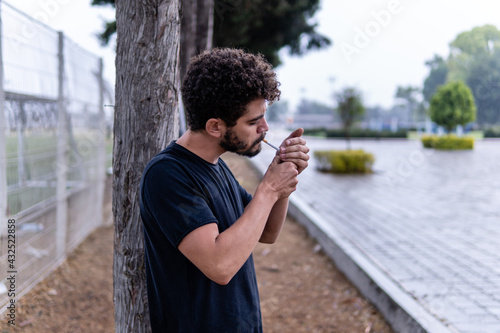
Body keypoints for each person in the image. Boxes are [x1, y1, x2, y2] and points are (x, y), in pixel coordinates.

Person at [139, 48, 309, 332]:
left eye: (263, 117)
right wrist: (268, 189)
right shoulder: (167, 175)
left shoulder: (216, 167)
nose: (265, 128)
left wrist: (281, 180)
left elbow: (266, 232)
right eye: (253, 122)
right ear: (215, 126)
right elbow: (220, 266)